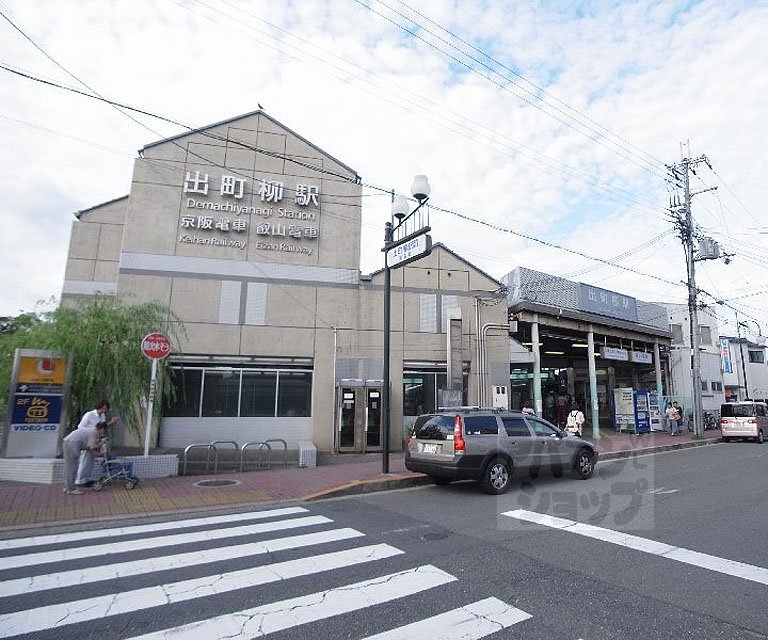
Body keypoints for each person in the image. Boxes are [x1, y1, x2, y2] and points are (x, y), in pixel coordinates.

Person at [75, 400, 117, 486]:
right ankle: (79, 480)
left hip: (96, 439)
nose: (104, 410)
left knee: (91, 460)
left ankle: (87, 479)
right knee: (85, 459)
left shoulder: (102, 416)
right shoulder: (89, 415)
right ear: (99, 406)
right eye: (103, 408)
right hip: (87, 439)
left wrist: (110, 424)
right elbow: (80, 427)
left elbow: (102, 428)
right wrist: (91, 433)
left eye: (105, 409)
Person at [62, 421, 102, 495]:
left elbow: (87, 447)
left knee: (70, 468)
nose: (103, 433)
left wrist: (96, 450)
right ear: (102, 429)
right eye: (104, 431)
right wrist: (99, 451)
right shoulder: (94, 433)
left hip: (68, 443)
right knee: (73, 468)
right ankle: (71, 489)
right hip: (71, 446)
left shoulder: (90, 431)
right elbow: (91, 447)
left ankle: (67, 487)